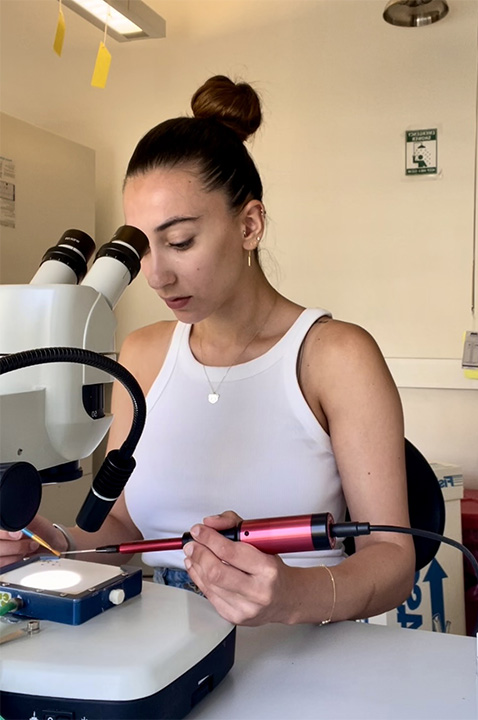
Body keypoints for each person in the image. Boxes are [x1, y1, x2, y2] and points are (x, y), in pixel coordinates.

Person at [1, 76, 415, 626]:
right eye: (143, 248)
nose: (157, 275)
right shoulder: (142, 355)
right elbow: (124, 527)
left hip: (304, 646)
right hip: (164, 645)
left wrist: (294, 595)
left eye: (180, 242)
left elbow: (393, 559)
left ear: (249, 224)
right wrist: (51, 543)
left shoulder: (335, 356)